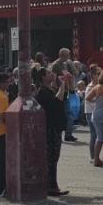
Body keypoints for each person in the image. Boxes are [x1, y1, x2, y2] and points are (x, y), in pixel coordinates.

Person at [35, 66, 72, 196]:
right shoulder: (42, 92)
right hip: (50, 128)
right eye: (49, 73)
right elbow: (56, 103)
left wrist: (64, 85)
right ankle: (50, 186)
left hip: (55, 127)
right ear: (42, 77)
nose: (52, 75)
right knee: (51, 157)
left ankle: (52, 184)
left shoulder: (49, 90)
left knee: (54, 157)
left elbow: (63, 98)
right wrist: (61, 86)